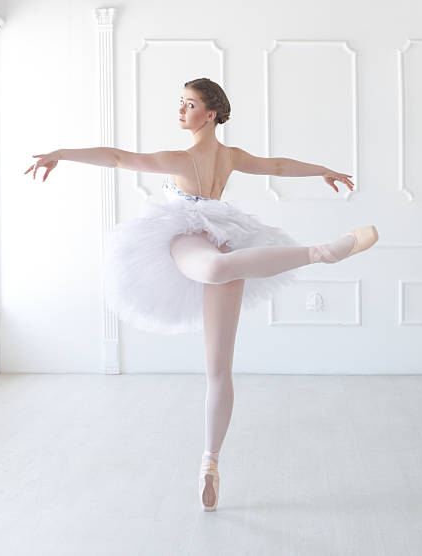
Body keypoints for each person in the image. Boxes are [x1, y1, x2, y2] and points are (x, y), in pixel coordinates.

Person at [24, 77, 378, 512]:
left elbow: (278, 166)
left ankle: (210, 462)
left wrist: (321, 169)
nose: (180, 111)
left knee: (218, 367)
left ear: (210, 114)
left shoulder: (216, 156)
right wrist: (64, 153)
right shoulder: (195, 157)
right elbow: (117, 157)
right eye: (181, 103)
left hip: (221, 237)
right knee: (214, 267)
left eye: (188, 104)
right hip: (185, 240)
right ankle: (323, 252)